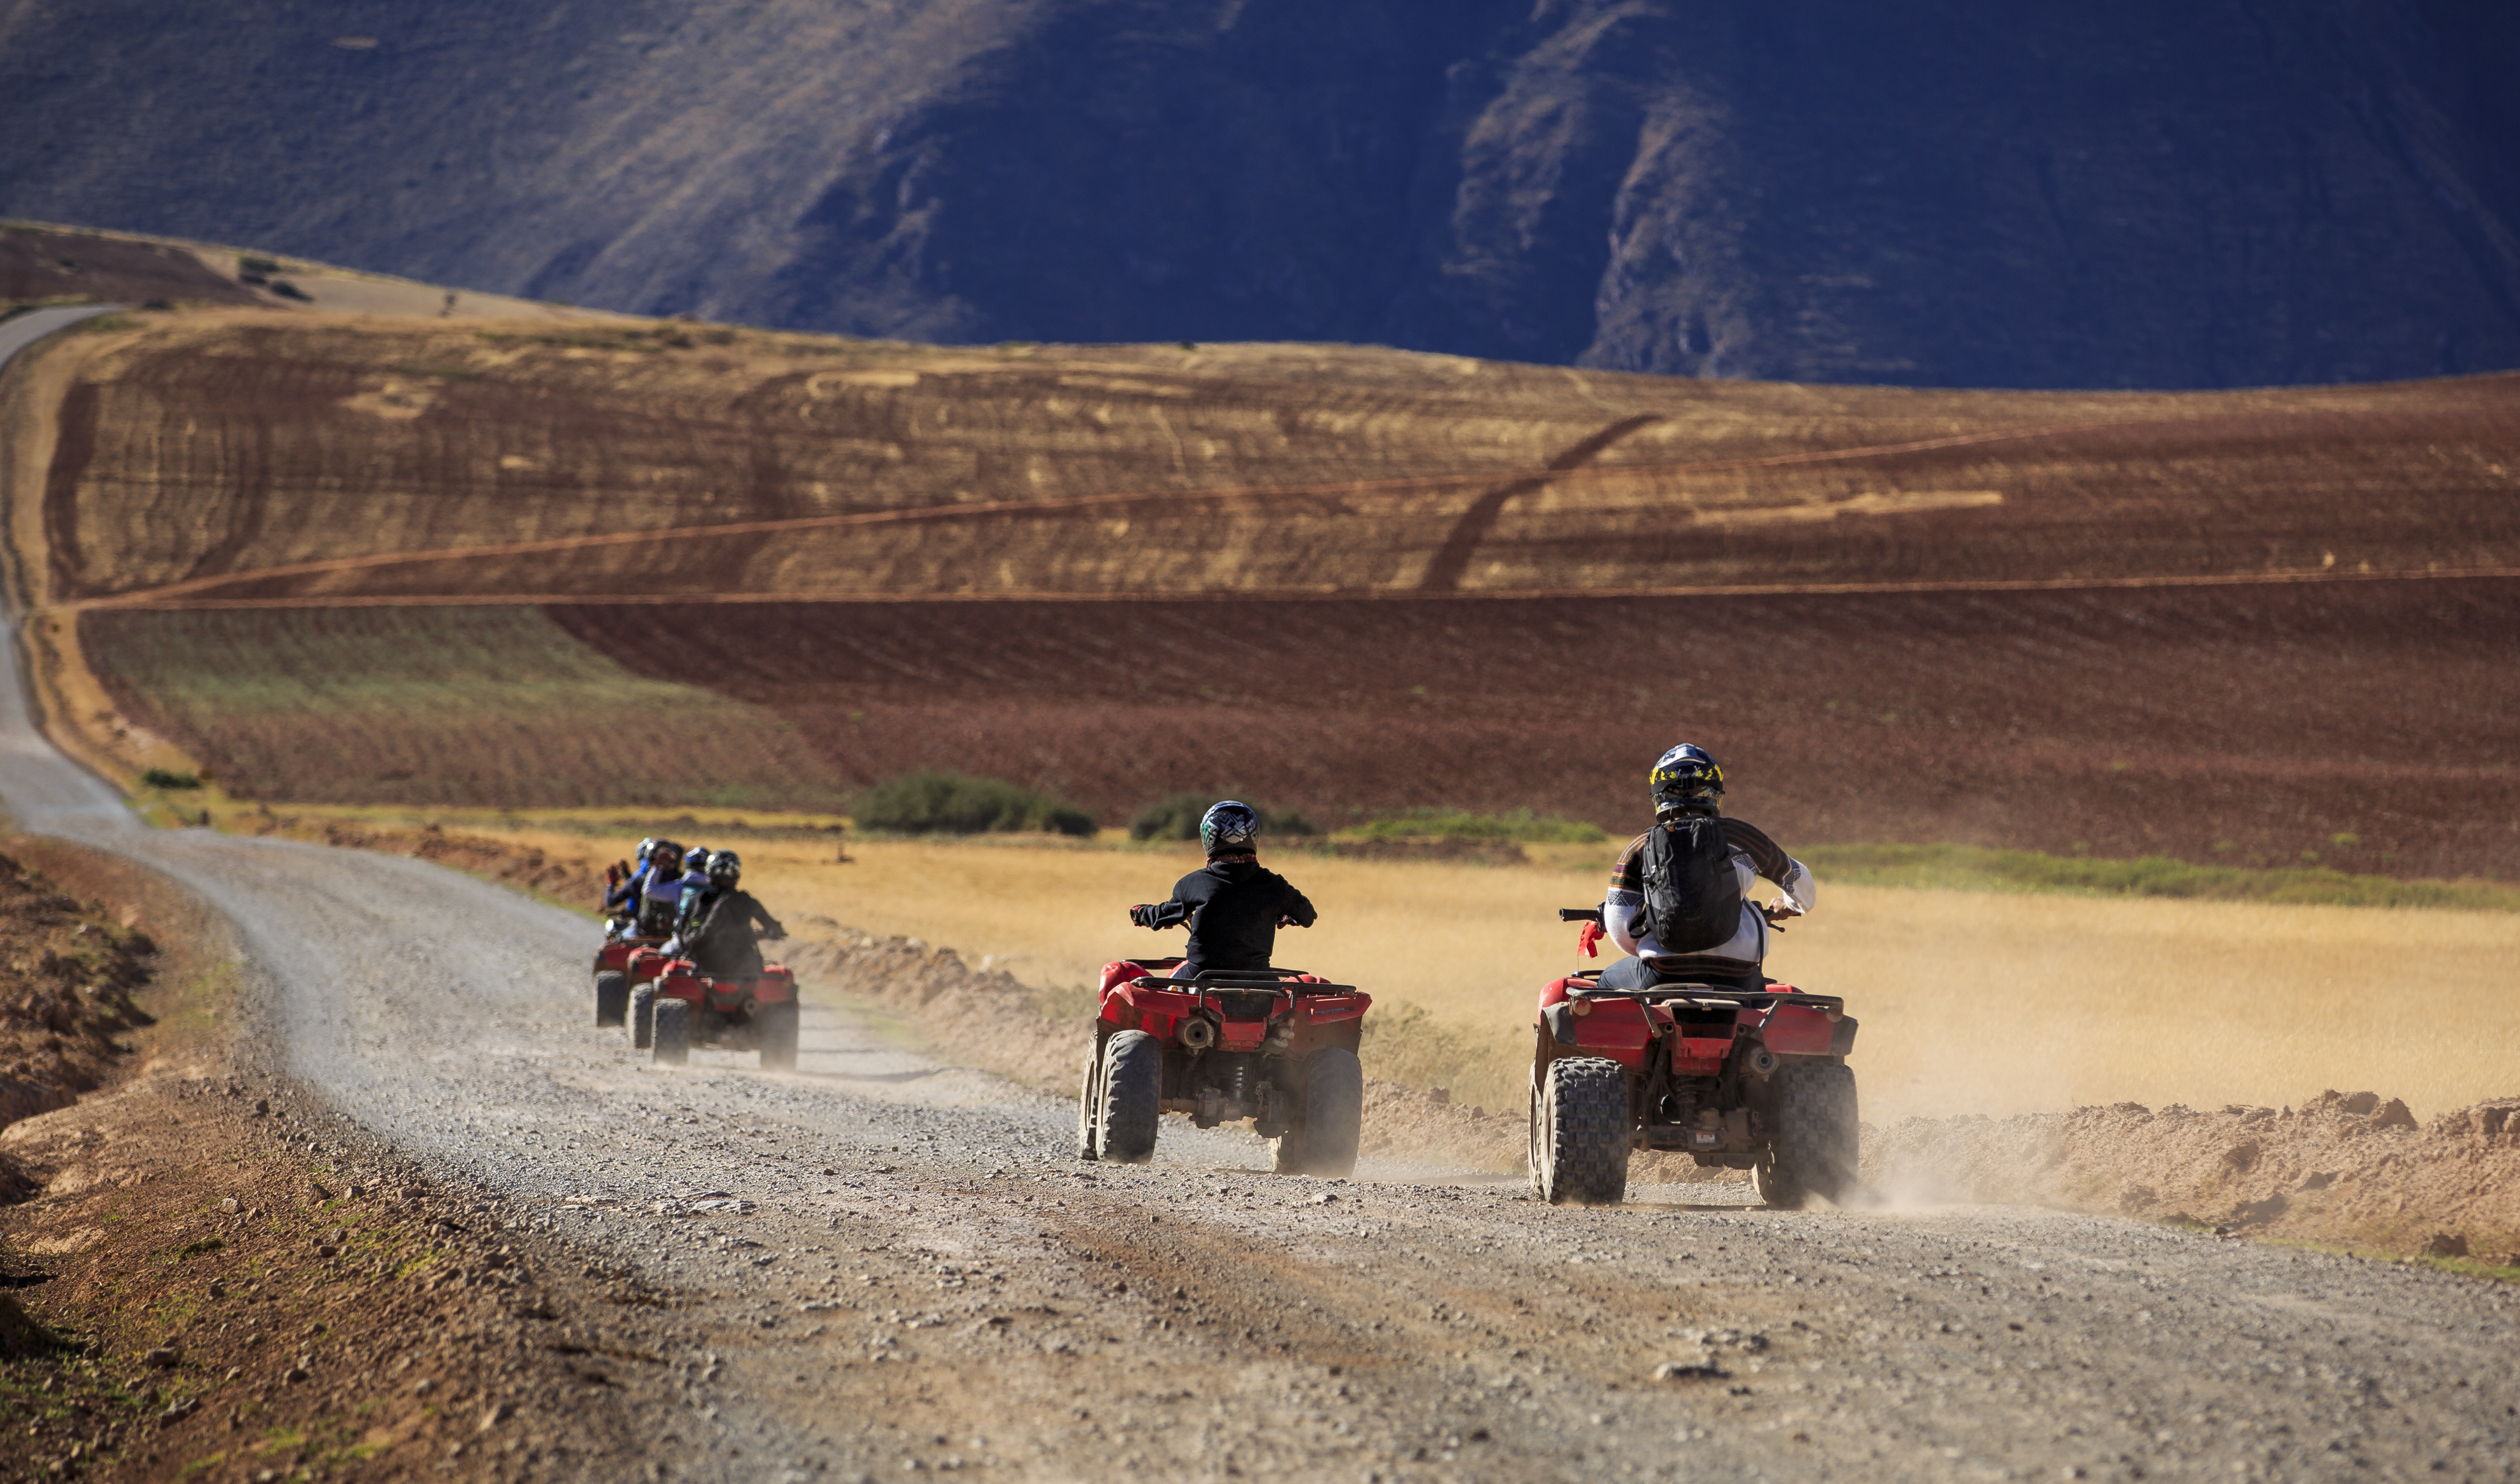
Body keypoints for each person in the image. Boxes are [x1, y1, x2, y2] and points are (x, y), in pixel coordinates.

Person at [1591, 744, 1814, 992]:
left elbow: (1618, 925)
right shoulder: (1743, 837)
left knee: (1606, 980)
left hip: (1662, 975)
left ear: (1659, 795)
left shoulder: (1642, 846)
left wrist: (1653, 947)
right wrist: (1789, 905)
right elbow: (1803, 886)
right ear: (1715, 791)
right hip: (1739, 976)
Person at [1128, 801, 1317, 977]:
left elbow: (1164, 915)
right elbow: (1308, 916)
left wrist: (1142, 913)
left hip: (1201, 977)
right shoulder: (1275, 885)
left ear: (1209, 837)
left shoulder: (1194, 883)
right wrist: (1285, 916)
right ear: (1253, 835)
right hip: (1259, 981)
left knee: (1148, 982)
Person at [680, 850, 787, 981]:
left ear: (710, 871)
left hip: (706, 965)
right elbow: (772, 925)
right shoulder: (745, 899)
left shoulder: (700, 899)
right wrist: (772, 932)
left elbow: (684, 928)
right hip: (743, 967)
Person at [632, 839, 690, 940]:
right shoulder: (681, 881)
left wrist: (658, 867)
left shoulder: (640, 878)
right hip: (677, 933)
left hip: (646, 931)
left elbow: (648, 890)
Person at [602, 838, 658, 935]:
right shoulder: (674, 877)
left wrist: (611, 883)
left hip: (641, 928)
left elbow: (610, 901)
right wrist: (627, 874)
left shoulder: (638, 879)